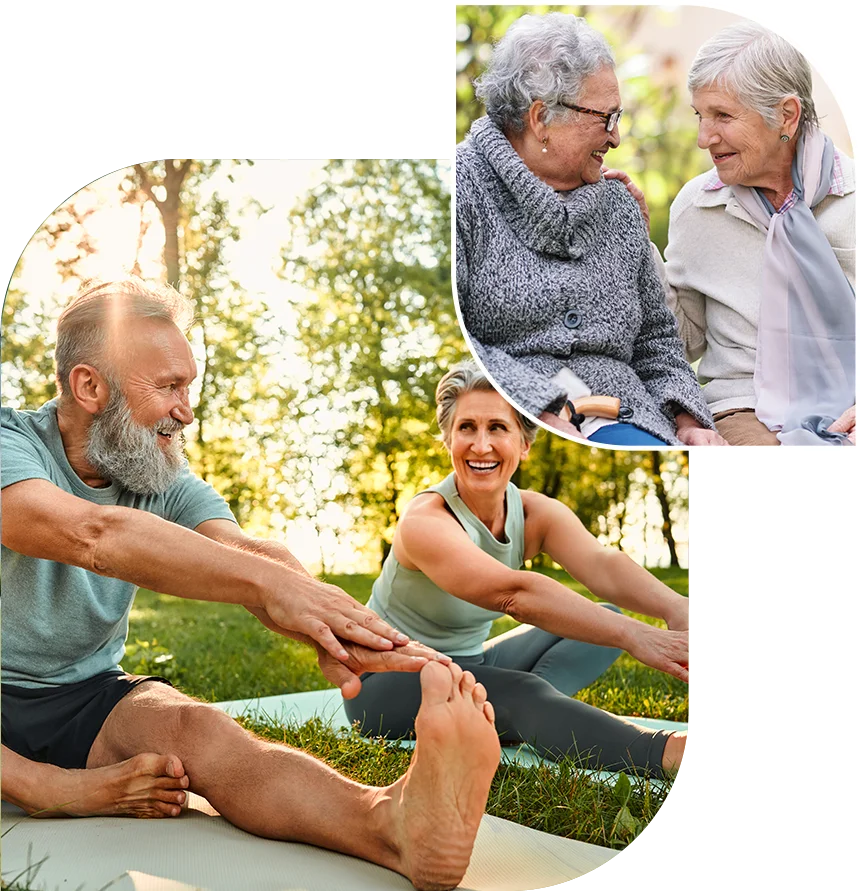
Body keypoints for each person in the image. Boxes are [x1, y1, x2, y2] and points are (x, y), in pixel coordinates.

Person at [0, 278, 502, 891]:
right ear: (88, 387)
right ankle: (46, 786)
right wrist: (264, 584)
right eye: (168, 387)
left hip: (80, 694)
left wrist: (340, 626)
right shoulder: (11, 446)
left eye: (189, 386)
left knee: (199, 730)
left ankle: (393, 826)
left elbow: (244, 553)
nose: (186, 409)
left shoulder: (154, 471)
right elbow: (93, 534)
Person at [344, 361, 690, 777]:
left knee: (604, 624)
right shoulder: (427, 521)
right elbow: (515, 594)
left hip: (468, 662)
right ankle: (674, 755)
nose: (481, 445)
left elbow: (603, 566)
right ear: (448, 440)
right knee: (526, 690)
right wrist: (640, 636)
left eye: (498, 428)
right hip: (384, 684)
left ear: (524, 444)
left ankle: (517, 715)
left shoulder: (532, 512)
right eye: (467, 427)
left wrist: (676, 608)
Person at [455, 12, 726, 447]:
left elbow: (657, 342)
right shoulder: (460, 189)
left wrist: (688, 422)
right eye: (606, 117)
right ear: (541, 118)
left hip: (635, 425)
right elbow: (462, 342)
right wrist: (537, 408)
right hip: (517, 427)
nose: (616, 137)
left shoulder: (616, 205)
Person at [661, 21, 855, 446]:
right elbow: (681, 342)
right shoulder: (697, 208)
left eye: (722, 116)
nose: (702, 138)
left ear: (786, 114)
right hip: (744, 409)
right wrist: (635, 248)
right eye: (700, 115)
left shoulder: (853, 197)